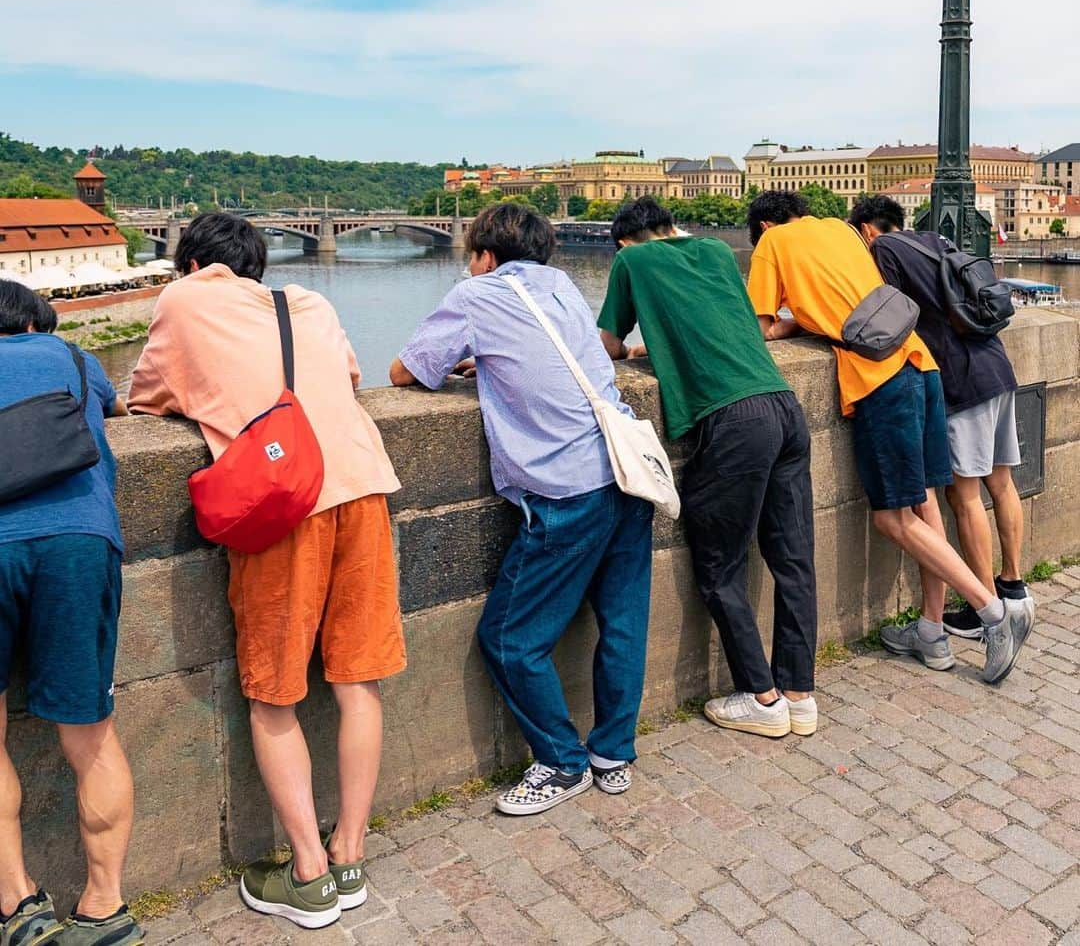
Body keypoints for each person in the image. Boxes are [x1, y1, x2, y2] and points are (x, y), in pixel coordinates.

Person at [128, 214, 405, 931]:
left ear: (189, 264)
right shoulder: (308, 302)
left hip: (287, 504)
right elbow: (348, 376)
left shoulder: (183, 301)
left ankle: (308, 873)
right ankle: (350, 852)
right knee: (357, 680)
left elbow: (143, 398)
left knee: (273, 693)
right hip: (364, 484)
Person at [390, 202, 653, 815]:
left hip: (566, 490)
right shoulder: (561, 285)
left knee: (509, 638)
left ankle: (563, 763)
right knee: (621, 621)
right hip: (624, 473)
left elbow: (405, 373)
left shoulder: (478, 295)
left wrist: (474, 360)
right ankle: (613, 750)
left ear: (484, 255)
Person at [745, 191, 1033, 684]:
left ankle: (991, 612)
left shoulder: (773, 243)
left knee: (891, 519)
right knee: (924, 503)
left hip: (877, 377)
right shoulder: (839, 228)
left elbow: (761, 327)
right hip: (922, 364)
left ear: (766, 225)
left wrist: (797, 321)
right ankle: (931, 631)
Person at [597, 197, 818, 740]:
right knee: (792, 558)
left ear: (626, 240)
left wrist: (634, 354)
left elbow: (606, 345)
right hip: (784, 406)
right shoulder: (718, 252)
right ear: (672, 225)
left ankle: (762, 698)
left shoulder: (633, 261)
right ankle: (799, 694)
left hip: (731, 419)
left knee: (719, 566)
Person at [0, 281, 142, 946]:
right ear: (37, 323)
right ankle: (104, 908)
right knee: (91, 736)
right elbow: (122, 410)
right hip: (80, 540)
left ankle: (17, 904)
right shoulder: (78, 359)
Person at [850, 196, 1030, 636]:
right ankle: (1014, 586)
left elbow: (888, 317)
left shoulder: (883, 251)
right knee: (1002, 483)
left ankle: (986, 612)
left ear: (868, 229)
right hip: (996, 364)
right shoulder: (934, 239)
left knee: (964, 496)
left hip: (961, 377)